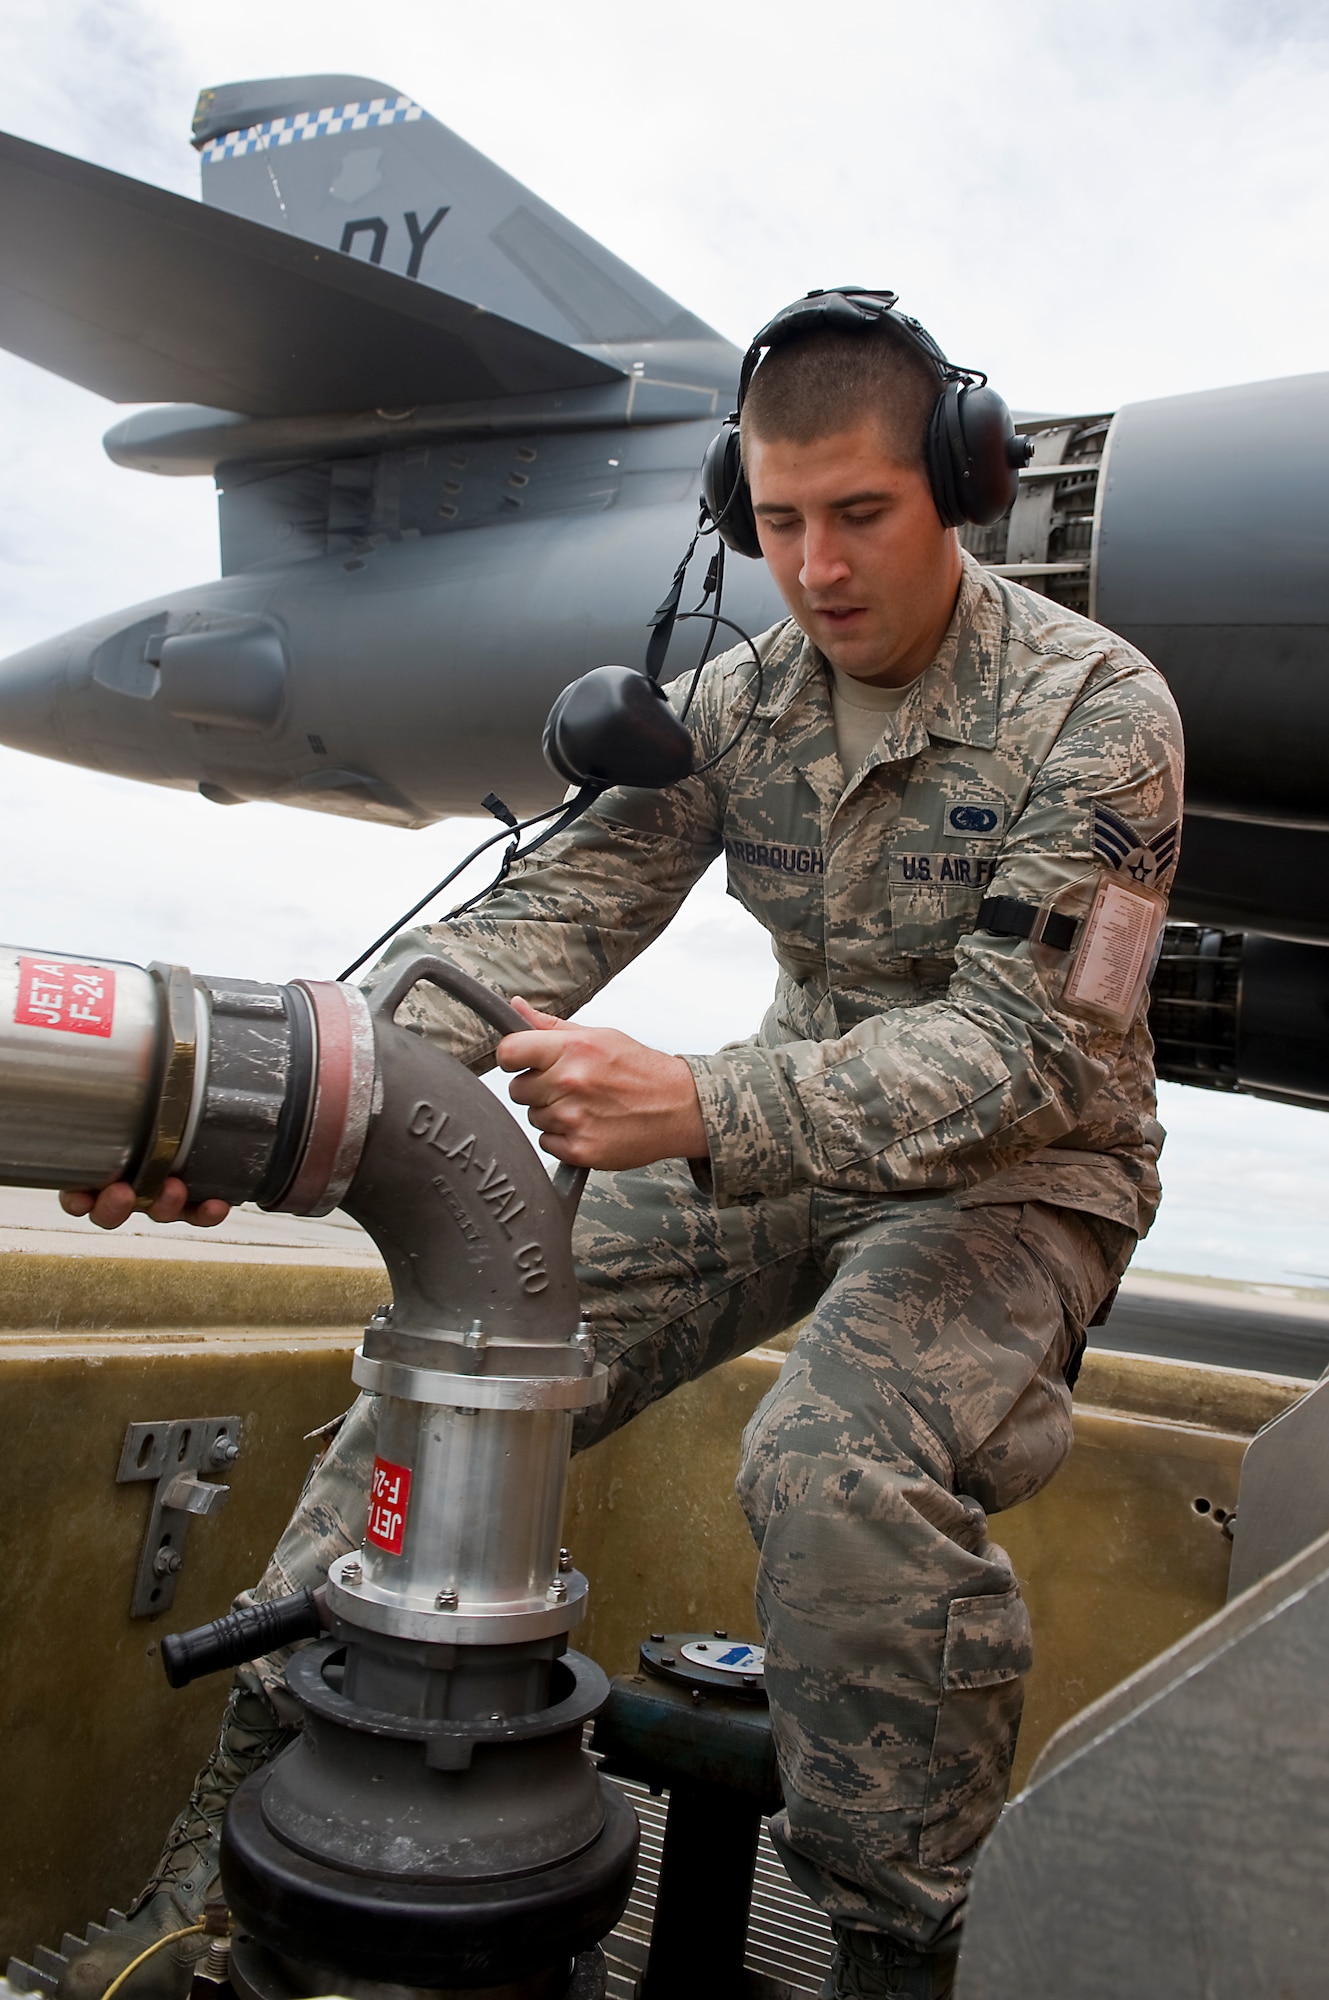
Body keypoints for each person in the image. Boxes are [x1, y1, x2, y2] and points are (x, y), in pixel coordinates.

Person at [61, 293, 1183, 2000]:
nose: (814, 566)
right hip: (782, 1130)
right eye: (779, 519)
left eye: (860, 514)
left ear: (959, 487)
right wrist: (250, 1108)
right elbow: (536, 925)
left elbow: (1026, 1055)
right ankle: (225, 1893)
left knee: (832, 1467)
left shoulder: (1099, 712)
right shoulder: (736, 703)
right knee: (446, 1379)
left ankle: (900, 1958)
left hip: (1020, 1171)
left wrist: (705, 1106)